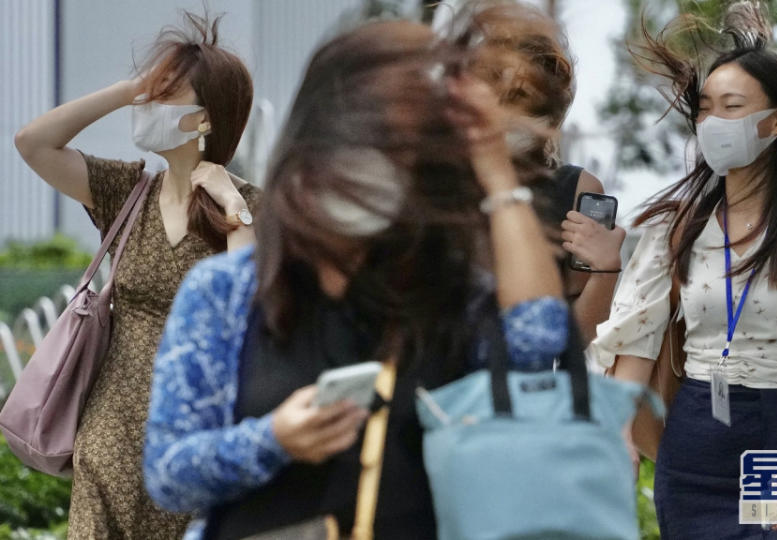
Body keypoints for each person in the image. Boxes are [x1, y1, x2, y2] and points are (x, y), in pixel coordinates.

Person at [143, 19, 570, 539]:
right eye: (361, 137)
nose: (375, 164)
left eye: (400, 145)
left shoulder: (448, 294)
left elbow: (539, 341)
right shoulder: (228, 290)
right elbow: (168, 476)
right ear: (313, 143)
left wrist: (497, 171)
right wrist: (274, 439)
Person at [588, 1, 777, 538]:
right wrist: (620, 436)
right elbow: (638, 338)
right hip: (698, 442)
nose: (712, 122)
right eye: (704, 109)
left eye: (731, 107)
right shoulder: (675, 227)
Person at [13, 11, 258, 538]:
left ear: (205, 119)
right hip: (110, 432)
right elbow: (33, 142)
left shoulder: (245, 208)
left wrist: (233, 205)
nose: (149, 105)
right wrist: (130, 89)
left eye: (167, 95)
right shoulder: (128, 193)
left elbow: (252, 297)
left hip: (194, 432)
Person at [459, 0, 626, 342]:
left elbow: (574, 339)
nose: (503, 113)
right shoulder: (435, 182)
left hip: (522, 386)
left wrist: (604, 272)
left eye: (520, 98)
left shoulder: (574, 189)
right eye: (493, 92)